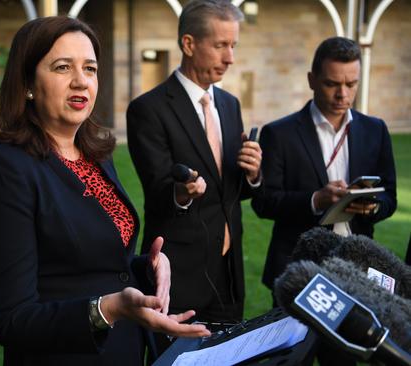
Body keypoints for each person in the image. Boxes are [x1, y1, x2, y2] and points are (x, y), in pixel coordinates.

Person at [0, 16, 210, 365]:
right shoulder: (4, 171)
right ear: (27, 83)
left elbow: (99, 265)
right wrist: (108, 309)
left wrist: (147, 268)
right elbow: (14, 320)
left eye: (91, 69)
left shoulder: (97, 156)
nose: (81, 82)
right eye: (62, 67)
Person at [251, 36, 397, 365]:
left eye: (351, 84)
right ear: (312, 80)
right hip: (295, 268)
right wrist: (316, 199)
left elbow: (390, 196)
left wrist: (371, 206)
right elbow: (264, 202)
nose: (342, 94)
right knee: (291, 359)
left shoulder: (375, 130)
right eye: (332, 83)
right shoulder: (280, 133)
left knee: (343, 360)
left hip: (353, 271)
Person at [126, 0, 262, 349]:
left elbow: (232, 192)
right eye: (220, 45)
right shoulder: (148, 110)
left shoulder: (230, 105)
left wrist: (253, 173)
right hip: (177, 274)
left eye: (233, 46)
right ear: (188, 44)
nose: (230, 57)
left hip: (229, 274)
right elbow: (157, 192)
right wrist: (182, 192)